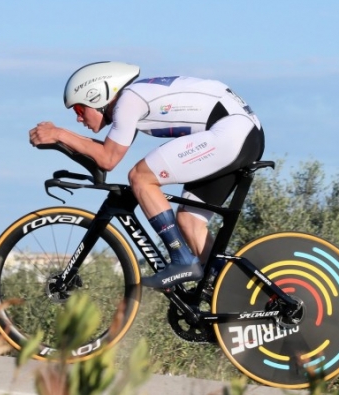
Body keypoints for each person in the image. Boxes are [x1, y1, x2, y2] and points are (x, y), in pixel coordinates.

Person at [28, 61, 264, 289]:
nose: (79, 118)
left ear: (96, 96)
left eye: (80, 109)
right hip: (243, 134)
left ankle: (181, 259)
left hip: (231, 133)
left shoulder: (128, 102)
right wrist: (62, 136)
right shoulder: (134, 100)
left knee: (141, 177)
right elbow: (104, 153)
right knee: (189, 222)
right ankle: (230, 289)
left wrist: (59, 133)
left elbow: (108, 159)